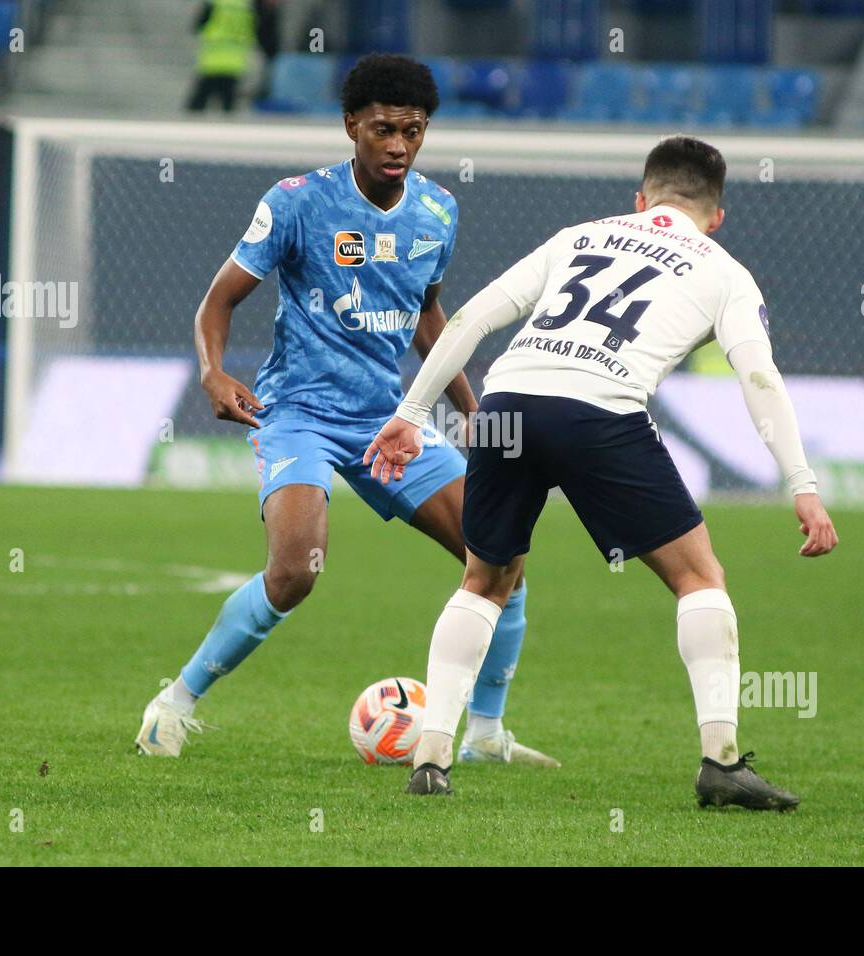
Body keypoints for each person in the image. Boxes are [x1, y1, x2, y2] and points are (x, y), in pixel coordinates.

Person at [365, 135, 839, 809]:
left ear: (640, 201)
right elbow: (758, 376)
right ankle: (721, 763)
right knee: (698, 576)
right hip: (599, 413)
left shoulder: (579, 235)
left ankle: (432, 756)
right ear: (716, 215)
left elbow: (470, 318)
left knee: (484, 580)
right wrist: (802, 484)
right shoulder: (725, 270)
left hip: (509, 402)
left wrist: (411, 413)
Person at [137, 54, 556, 768]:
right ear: (351, 126)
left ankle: (485, 734)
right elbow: (219, 301)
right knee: (297, 571)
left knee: (502, 555)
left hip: (391, 421)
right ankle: (172, 706)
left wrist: (471, 408)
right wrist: (212, 373)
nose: (399, 145)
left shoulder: (437, 211)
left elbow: (429, 318)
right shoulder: (298, 202)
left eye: (414, 132)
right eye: (384, 129)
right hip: (298, 412)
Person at [186, 0, 255, 114]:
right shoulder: (246, 5)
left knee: (196, 106)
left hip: (213, 61)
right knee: (228, 106)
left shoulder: (215, 3)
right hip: (236, 61)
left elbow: (198, 27)